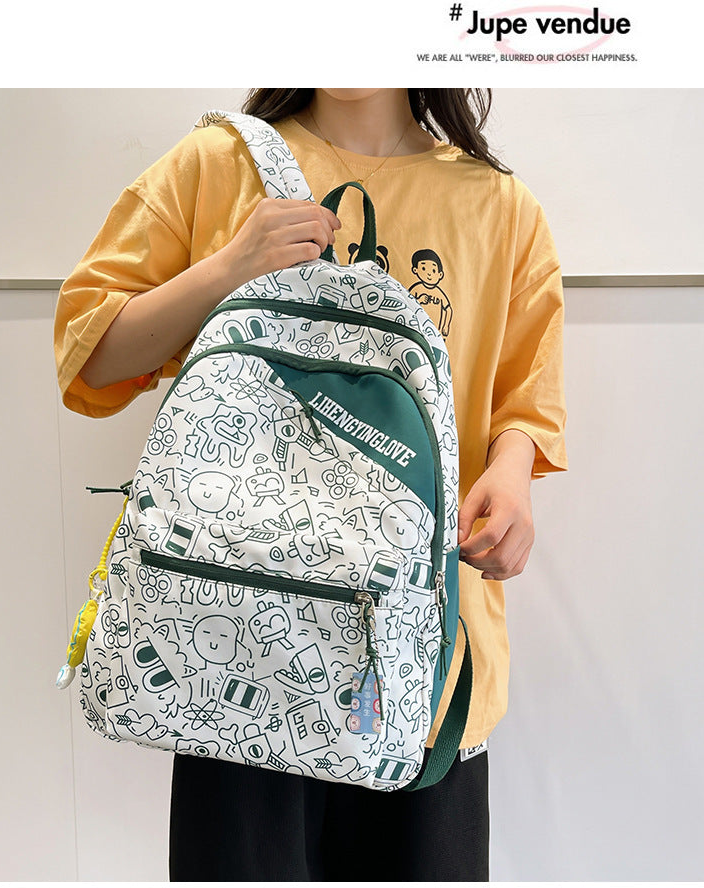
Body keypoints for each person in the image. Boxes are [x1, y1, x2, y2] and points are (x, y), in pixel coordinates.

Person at [54, 88, 568, 881]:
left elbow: (524, 400)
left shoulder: (498, 207)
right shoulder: (218, 165)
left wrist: (511, 472)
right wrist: (230, 268)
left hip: (417, 665)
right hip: (240, 654)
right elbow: (88, 353)